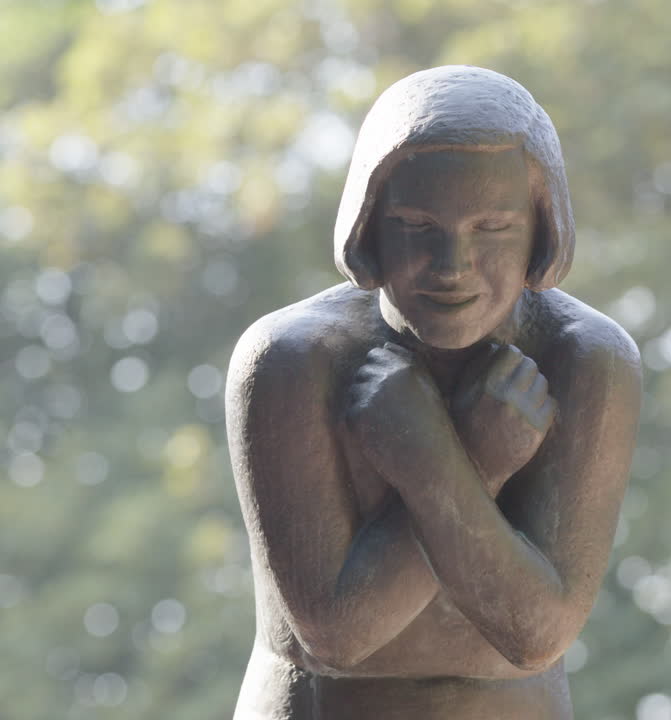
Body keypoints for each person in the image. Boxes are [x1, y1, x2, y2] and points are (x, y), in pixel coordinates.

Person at [226, 66, 641, 719]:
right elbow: (337, 635)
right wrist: (476, 458)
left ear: (542, 226)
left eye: (492, 228)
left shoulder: (586, 360)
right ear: (368, 227)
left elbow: (537, 632)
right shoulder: (293, 360)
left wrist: (432, 462)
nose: (452, 266)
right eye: (418, 225)